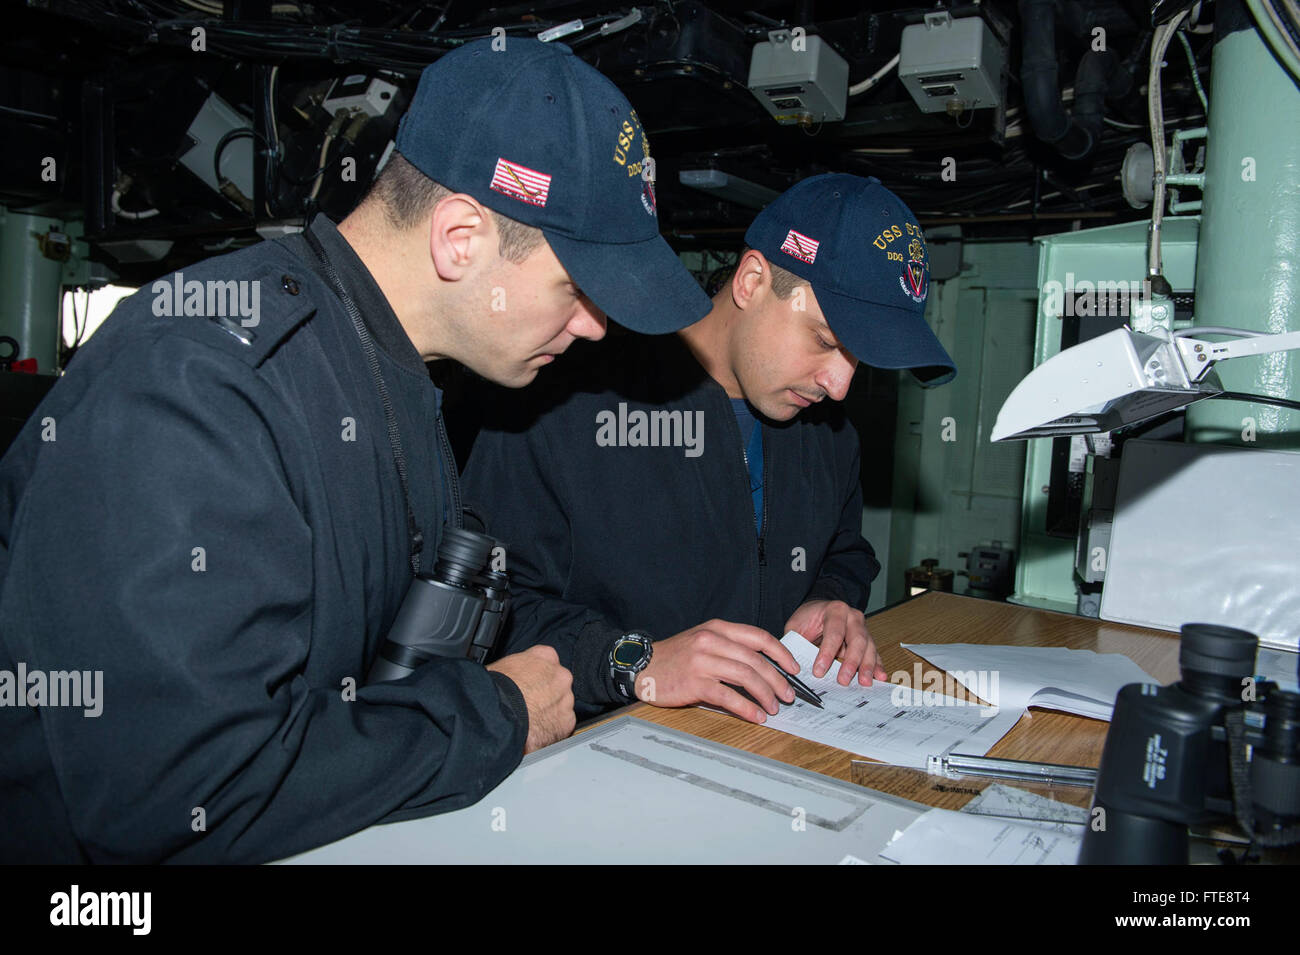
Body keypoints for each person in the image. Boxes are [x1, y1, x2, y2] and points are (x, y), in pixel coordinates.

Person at [0, 38, 710, 863]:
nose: (593, 327)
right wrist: (493, 716)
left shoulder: (393, 373)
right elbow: (177, 792)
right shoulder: (201, 379)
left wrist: (610, 664)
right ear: (461, 238)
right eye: (578, 290)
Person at [458, 173, 956, 723]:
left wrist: (832, 598)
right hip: (605, 745)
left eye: (859, 361)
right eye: (826, 341)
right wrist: (635, 661)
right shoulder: (561, 400)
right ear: (751, 281)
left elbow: (846, 550)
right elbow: (493, 605)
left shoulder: (829, 431)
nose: (839, 385)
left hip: (771, 736)